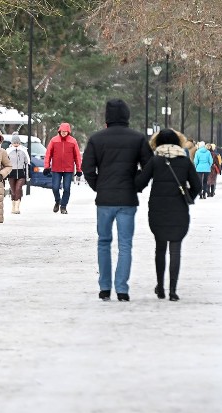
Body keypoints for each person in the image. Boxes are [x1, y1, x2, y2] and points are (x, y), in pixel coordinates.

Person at [81, 99, 152, 301]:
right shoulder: (137, 138)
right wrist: (137, 185)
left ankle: (104, 287)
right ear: (127, 116)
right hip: (127, 199)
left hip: (104, 199)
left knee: (103, 242)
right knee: (125, 244)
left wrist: (98, 186)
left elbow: (87, 168)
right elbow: (149, 167)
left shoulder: (96, 139)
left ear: (107, 118)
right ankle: (122, 288)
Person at [135, 129, 200, 302]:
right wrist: (188, 197)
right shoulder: (185, 162)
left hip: (158, 209)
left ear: (158, 143)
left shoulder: (155, 161)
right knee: (175, 249)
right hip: (179, 209)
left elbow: (139, 182)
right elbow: (197, 186)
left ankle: (160, 287)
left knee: (160, 248)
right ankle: (173, 290)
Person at [42, 122, 83, 214]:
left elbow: (77, 156)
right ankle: (57, 201)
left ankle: (63, 206)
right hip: (56, 168)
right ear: (59, 131)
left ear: (68, 132)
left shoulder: (73, 141)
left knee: (67, 188)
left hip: (68, 169)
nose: (64, 133)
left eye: (65, 131)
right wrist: (47, 166)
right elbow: (48, 154)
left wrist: (79, 169)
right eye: (62, 131)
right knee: (55, 187)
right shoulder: (54, 140)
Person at [6, 133, 30, 214]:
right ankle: (13, 205)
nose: (16, 144)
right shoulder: (8, 151)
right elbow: (5, 163)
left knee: (18, 189)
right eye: (14, 142)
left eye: (17, 142)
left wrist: (27, 176)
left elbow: (27, 163)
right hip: (11, 173)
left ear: (19, 143)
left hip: (21, 173)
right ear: (12, 143)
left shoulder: (23, 151)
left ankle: (17, 206)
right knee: (13, 190)